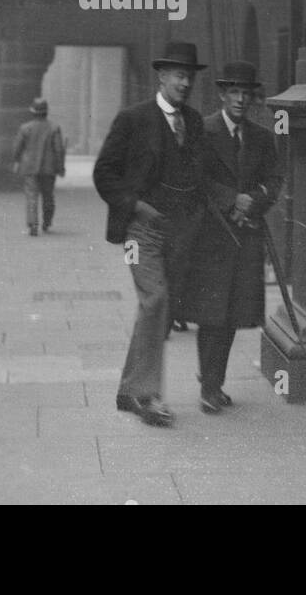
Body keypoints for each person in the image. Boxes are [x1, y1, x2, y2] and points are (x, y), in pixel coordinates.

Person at [93, 40, 207, 428]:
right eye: (178, 75)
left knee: (157, 306)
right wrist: (137, 206)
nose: (185, 82)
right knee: (155, 300)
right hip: (137, 232)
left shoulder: (193, 121)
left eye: (189, 76)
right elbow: (103, 173)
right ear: (161, 77)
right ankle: (146, 395)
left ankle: (129, 389)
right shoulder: (133, 119)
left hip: (178, 231)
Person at [178, 60, 283, 413]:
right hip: (212, 236)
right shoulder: (201, 131)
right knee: (211, 314)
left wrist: (252, 202)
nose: (240, 99)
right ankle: (209, 386)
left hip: (246, 235)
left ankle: (213, 381)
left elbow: (274, 180)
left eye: (246, 93)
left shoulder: (262, 138)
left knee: (233, 313)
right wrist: (230, 200)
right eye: (234, 92)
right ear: (223, 95)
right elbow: (194, 180)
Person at [12, 98, 66, 236]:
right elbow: (58, 150)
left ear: (33, 112)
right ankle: (47, 222)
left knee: (31, 196)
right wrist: (60, 168)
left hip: (30, 167)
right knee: (48, 196)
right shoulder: (54, 127)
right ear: (46, 112)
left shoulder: (25, 128)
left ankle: (33, 225)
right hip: (49, 168)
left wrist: (16, 161)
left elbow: (17, 148)